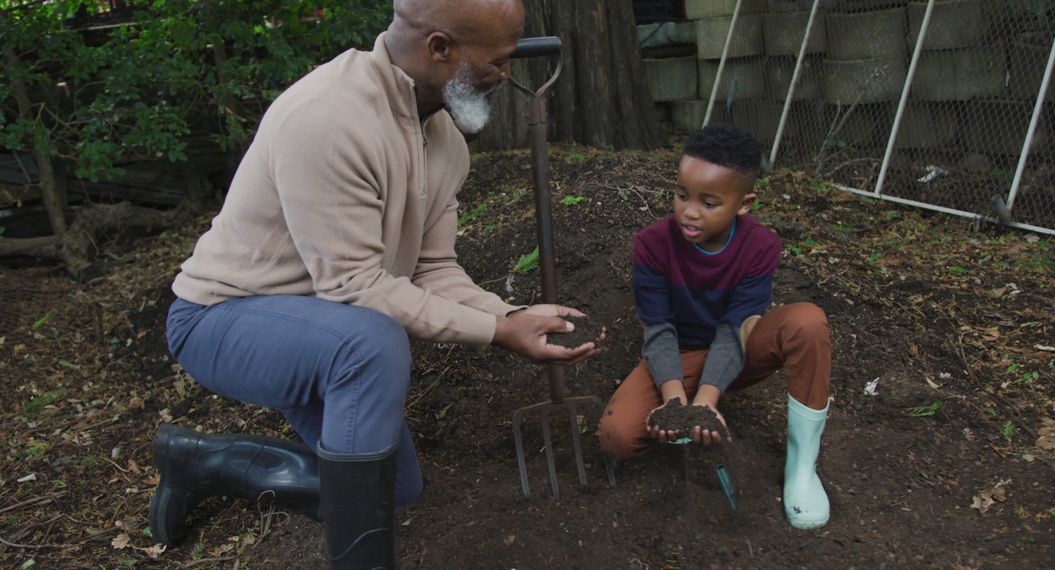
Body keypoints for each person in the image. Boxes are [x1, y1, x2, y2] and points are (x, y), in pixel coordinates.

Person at [150, 0, 596, 567]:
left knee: (394, 489)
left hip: (324, 329)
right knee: (370, 343)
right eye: (497, 62)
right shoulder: (327, 118)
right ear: (440, 48)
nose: (506, 76)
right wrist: (495, 332)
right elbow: (355, 287)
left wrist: (509, 315)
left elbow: (432, 269)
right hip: (221, 317)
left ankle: (197, 462)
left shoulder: (443, 141)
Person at [595, 124, 832, 530]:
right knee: (616, 436)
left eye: (709, 202)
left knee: (807, 322)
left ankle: (802, 468)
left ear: (744, 203)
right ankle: (683, 396)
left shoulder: (760, 247)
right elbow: (659, 328)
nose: (689, 210)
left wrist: (707, 399)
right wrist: (675, 402)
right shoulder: (652, 244)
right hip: (680, 352)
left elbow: (736, 327)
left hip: (741, 348)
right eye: (682, 195)